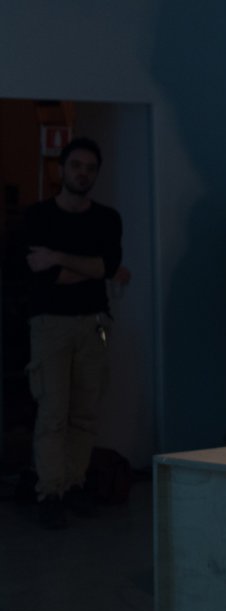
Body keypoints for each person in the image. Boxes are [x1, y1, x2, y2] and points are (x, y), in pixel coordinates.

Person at [20, 137, 122, 528]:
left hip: (93, 322)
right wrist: (87, 267)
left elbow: (107, 268)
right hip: (50, 323)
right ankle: (50, 491)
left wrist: (60, 258)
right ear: (62, 169)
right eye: (76, 166)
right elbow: (41, 276)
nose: (83, 173)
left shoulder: (107, 219)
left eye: (90, 168)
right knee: (52, 411)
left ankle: (75, 483)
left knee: (84, 411)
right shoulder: (37, 217)